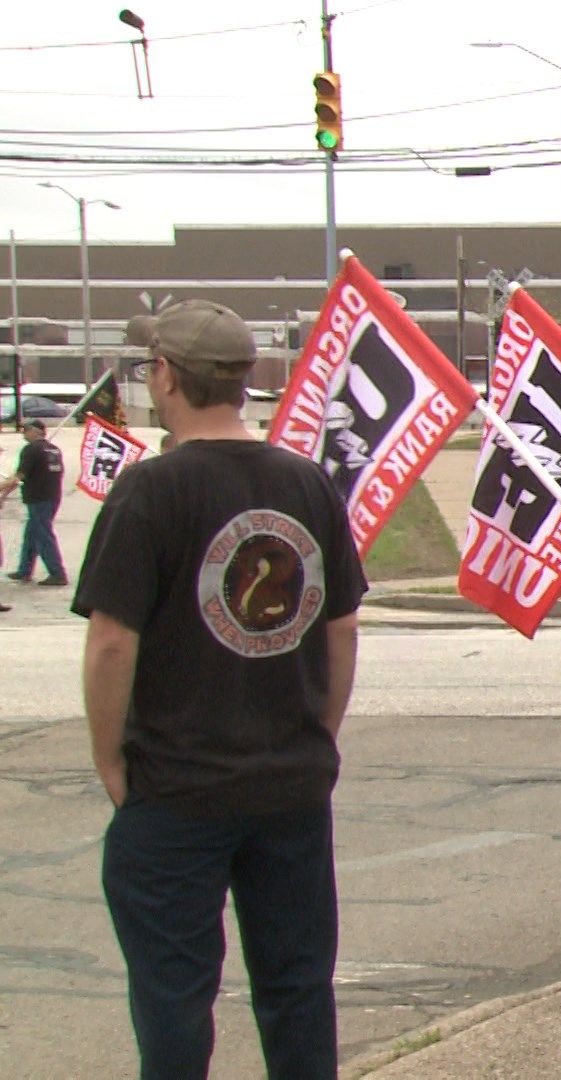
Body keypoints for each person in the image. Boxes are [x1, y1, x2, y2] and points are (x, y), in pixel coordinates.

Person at [72, 299, 365, 1075]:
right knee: (298, 986)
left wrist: (110, 761)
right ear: (242, 381)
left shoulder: (149, 491)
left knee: (173, 994)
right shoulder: (307, 482)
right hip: (291, 784)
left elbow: (111, 641)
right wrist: (318, 736)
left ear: (164, 375)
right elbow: (341, 628)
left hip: (177, 785)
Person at [3, 418, 68, 587]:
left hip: (38, 498)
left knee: (43, 535)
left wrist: (1, 490)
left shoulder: (31, 450)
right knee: (32, 533)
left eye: (26, 430)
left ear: (35, 431)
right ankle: (24, 569)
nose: (23, 433)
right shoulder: (54, 450)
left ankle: (57, 573)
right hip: (52, 496)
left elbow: (18, 477)